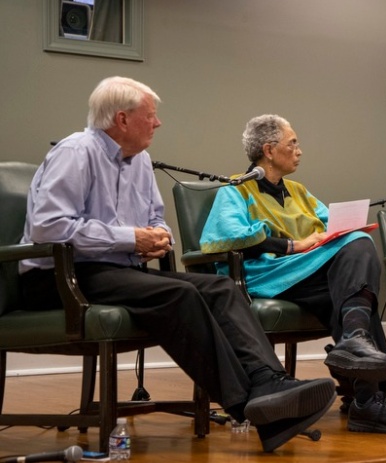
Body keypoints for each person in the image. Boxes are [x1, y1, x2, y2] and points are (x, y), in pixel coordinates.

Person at [18, 76, 337, 453]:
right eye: (150, 116)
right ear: (122, 120)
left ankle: (270, 382)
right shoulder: (76, 152)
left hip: (115, 270)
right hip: (59, 276)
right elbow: (49, 227)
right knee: (179, 293)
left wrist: (158, 236)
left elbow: (155, 217)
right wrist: (130, 238)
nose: (158, 123)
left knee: (220, 288)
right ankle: (248, 405)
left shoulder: (141, 162)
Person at [199, 114, 386, 434]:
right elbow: (223, 238)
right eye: (293, 143)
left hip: (306, 273)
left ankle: (365, 394)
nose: (299, 150)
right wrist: (294, 245)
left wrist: (334, 233)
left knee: (348, 294)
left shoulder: (298, 190)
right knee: (358, 255)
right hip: (268, 275)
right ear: (268, 149)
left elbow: (331, 223)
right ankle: (365, 382)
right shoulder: (236, 190)